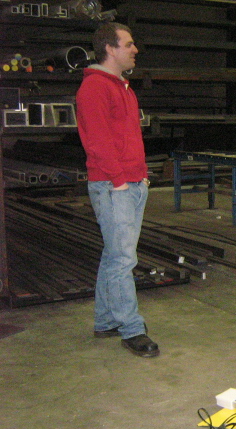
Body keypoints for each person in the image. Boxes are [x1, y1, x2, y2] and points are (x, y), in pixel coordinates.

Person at [76, 22, 159, 357]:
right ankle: (131, 328)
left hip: (131, 182)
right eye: (128, 44)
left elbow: (130, 138)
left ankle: (106, 320)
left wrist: (141, 176)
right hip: (114, 186)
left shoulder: (123, 87)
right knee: (124, 259)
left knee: (115, 255)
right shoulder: (94, 88)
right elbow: (97, 141)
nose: (135, 49)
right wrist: (120, 181)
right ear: (109, 49)